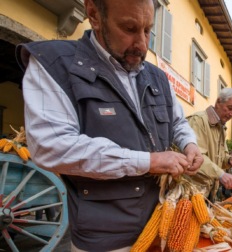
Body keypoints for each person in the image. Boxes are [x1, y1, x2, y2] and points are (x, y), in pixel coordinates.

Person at [16, 0, 204, 251]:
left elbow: (178, 121)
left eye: (148, 30)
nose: (142, 44)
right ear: (94, 14)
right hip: (105, 240)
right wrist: (149, 161)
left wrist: (189, 144)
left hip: (162, 227)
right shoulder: (55, 64)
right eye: (129, 28)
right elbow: (52, 146)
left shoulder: (158, 76)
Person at [186, 88, 232, 201]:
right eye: (230, 108)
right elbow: (196, 157)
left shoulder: (221, 128)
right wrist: (221, 174)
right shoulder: (198, 121)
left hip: (207, 193)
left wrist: (228, 160)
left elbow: (218, 159)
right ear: (218, 102)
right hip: (191, 192)